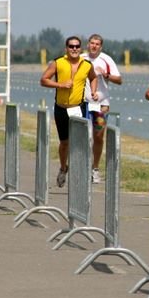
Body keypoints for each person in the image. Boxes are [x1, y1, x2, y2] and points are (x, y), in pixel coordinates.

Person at [40, 36, 98, 187]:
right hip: (61, 108)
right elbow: (44, 80)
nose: (74, 49)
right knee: (65, 143)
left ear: (81, 48)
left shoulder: (86, 65)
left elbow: (93, 78)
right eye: (71, 46)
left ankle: (79, 172)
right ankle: (63, 167)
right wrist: (60, 85)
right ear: (66, 48)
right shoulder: (58, 63)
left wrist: (93, 91)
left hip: (78, 108)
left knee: (79, 142)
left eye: (77, 46)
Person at [82, 34, 122, 183]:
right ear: (88, 44)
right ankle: (82, 166)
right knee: (84, 136)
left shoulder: (106, 59)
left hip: (101, 104)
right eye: (92, 43)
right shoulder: (81, 58)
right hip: (83, 103)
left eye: (97, 44)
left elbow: (119, 80)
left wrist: (106, 75)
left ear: (101, 46)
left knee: (98, 136)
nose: (94, 46)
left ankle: (95, 168)